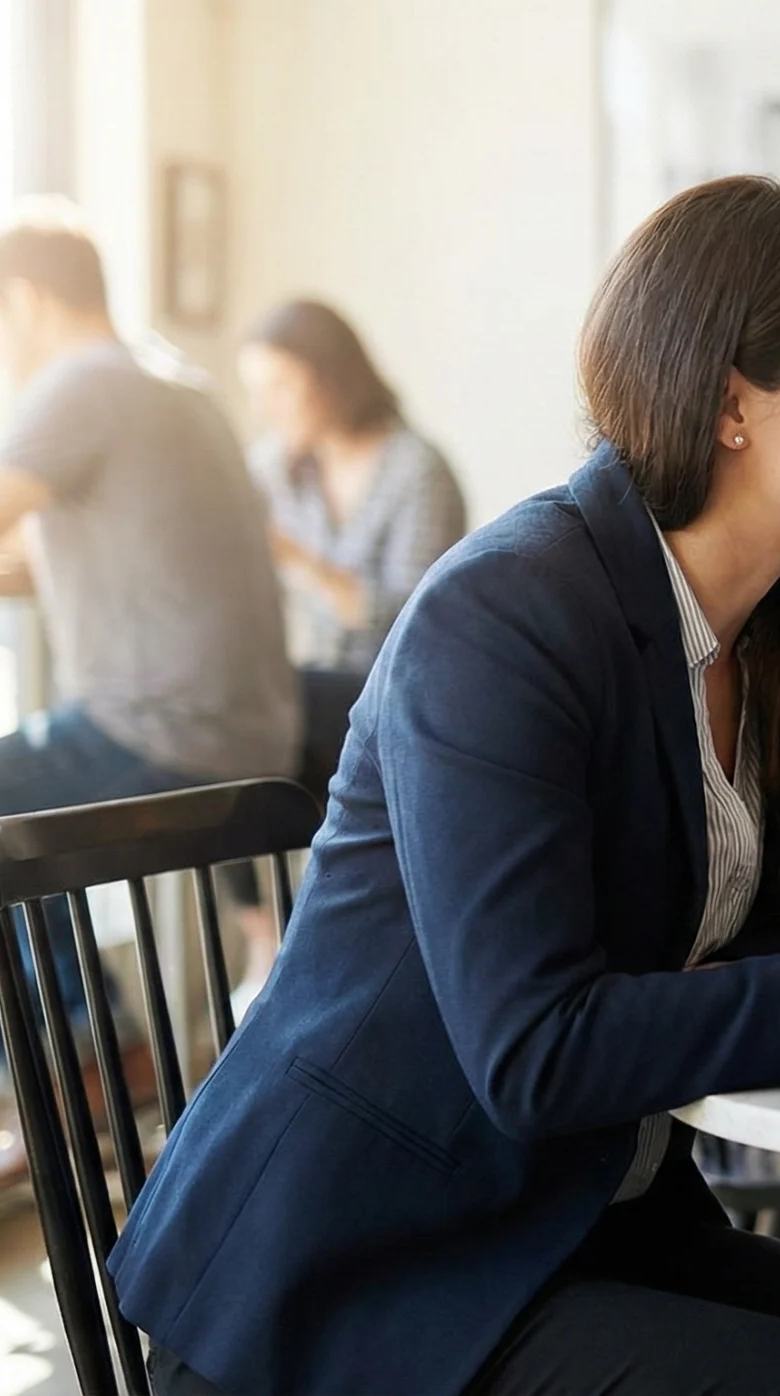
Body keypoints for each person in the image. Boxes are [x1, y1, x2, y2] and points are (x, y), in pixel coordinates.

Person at [108, 177, 780, 1396]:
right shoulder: (505, 618)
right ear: (735, 401)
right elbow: (537, 1057)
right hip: (366, 1272)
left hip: (571, 1224)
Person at [0, 202, 299, 1198]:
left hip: (160, 728)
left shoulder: (81, 384)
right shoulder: (178, 384)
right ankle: (105, 1049)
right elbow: (25, 535)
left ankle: (56, 1078)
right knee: (14, 829)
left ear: (25, 300)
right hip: (250, 731)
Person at [232, 298, 467, 1002]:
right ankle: (265, 940)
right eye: (258, 392)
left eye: (281, 386)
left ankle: (289, 956)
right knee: (227, 738)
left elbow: (411, 618)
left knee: (262, 707)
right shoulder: (276, 468)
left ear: (331, 376)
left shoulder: (416, 469)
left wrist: (299, 559)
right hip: (315, 690)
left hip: (400, 691)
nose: (269, 408)